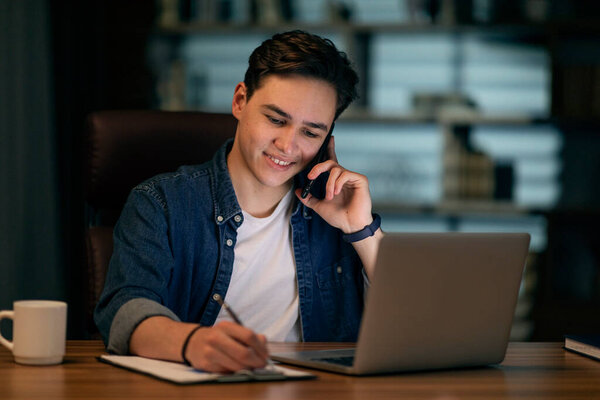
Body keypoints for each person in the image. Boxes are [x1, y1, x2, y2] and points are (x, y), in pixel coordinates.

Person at [94, 30, 383, 373]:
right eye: (276, 119)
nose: (288, 145)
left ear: (327, 139)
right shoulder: (161, 203)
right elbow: (124, 312)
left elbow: (412, 324)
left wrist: (361, 231)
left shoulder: (338, 213)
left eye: (310, 132)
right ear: (240, 101)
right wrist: (190, 342)